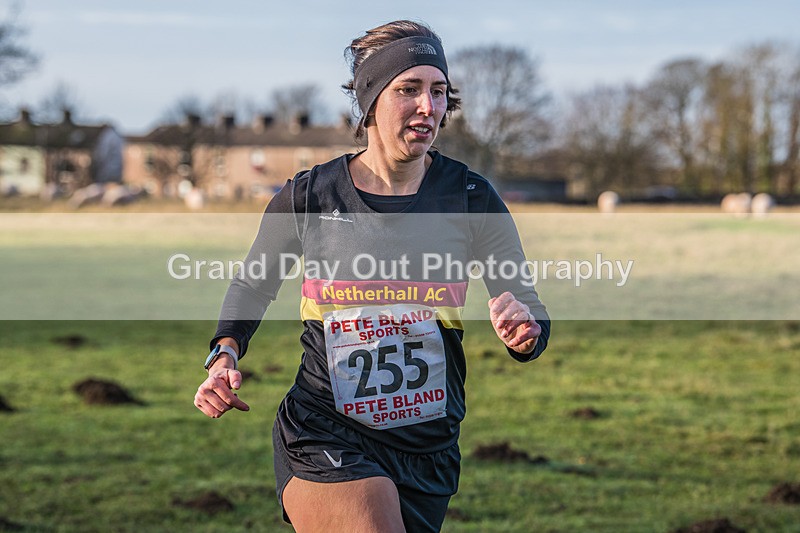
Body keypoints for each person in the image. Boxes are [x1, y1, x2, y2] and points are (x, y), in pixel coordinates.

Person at [194, 20, 550, 533]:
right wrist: (224, 352)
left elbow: (528, 307)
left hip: (429, 446)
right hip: (326, 431)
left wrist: (525, 331)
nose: (428, 106)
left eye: (439, 91)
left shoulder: (472, 199)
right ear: (370, 99)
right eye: (409, 89)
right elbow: (254, 283)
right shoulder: (310, 196)